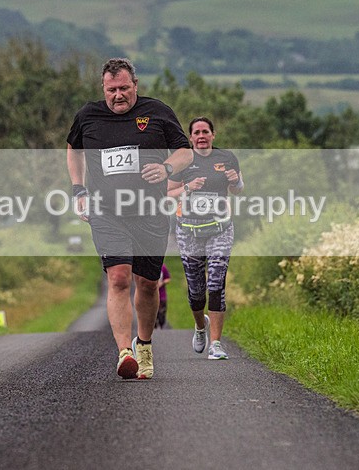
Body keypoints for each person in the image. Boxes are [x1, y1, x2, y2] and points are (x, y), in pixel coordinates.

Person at [67, 58, 193, 380]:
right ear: (103, 89)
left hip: (149, 211)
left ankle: (145, 344)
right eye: (112, 90)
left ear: (135, 85)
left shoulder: (158, 112)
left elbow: (185, 151)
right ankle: (125, 351)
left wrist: (166, 169)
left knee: (148, 284)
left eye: (124, 88)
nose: (118, 95)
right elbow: (74, 148)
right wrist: (78, 189)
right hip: (107, 211)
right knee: (119, 277)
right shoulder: (88, 116)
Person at [167, 116, 243, 360]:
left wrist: (236, 181)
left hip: (220, 228)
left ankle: (217, 344)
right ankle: (201, 327)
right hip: (189, 231)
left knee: (216, 285)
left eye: (205, 131)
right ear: (190, 138)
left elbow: (238, 188)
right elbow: (168, 194)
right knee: (197, 290)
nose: (201, 136)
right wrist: (189, 188)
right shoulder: (183, 162)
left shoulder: (227, 157)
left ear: (213, 134)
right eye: (196, 132)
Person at [155, 263, 171, 329]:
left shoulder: (163, 267)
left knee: (162, 313)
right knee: (153, 313)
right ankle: (154, 328)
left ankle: (161, 327)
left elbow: (168, 279)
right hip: (152, 296)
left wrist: (162, 283)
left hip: (162, 295)